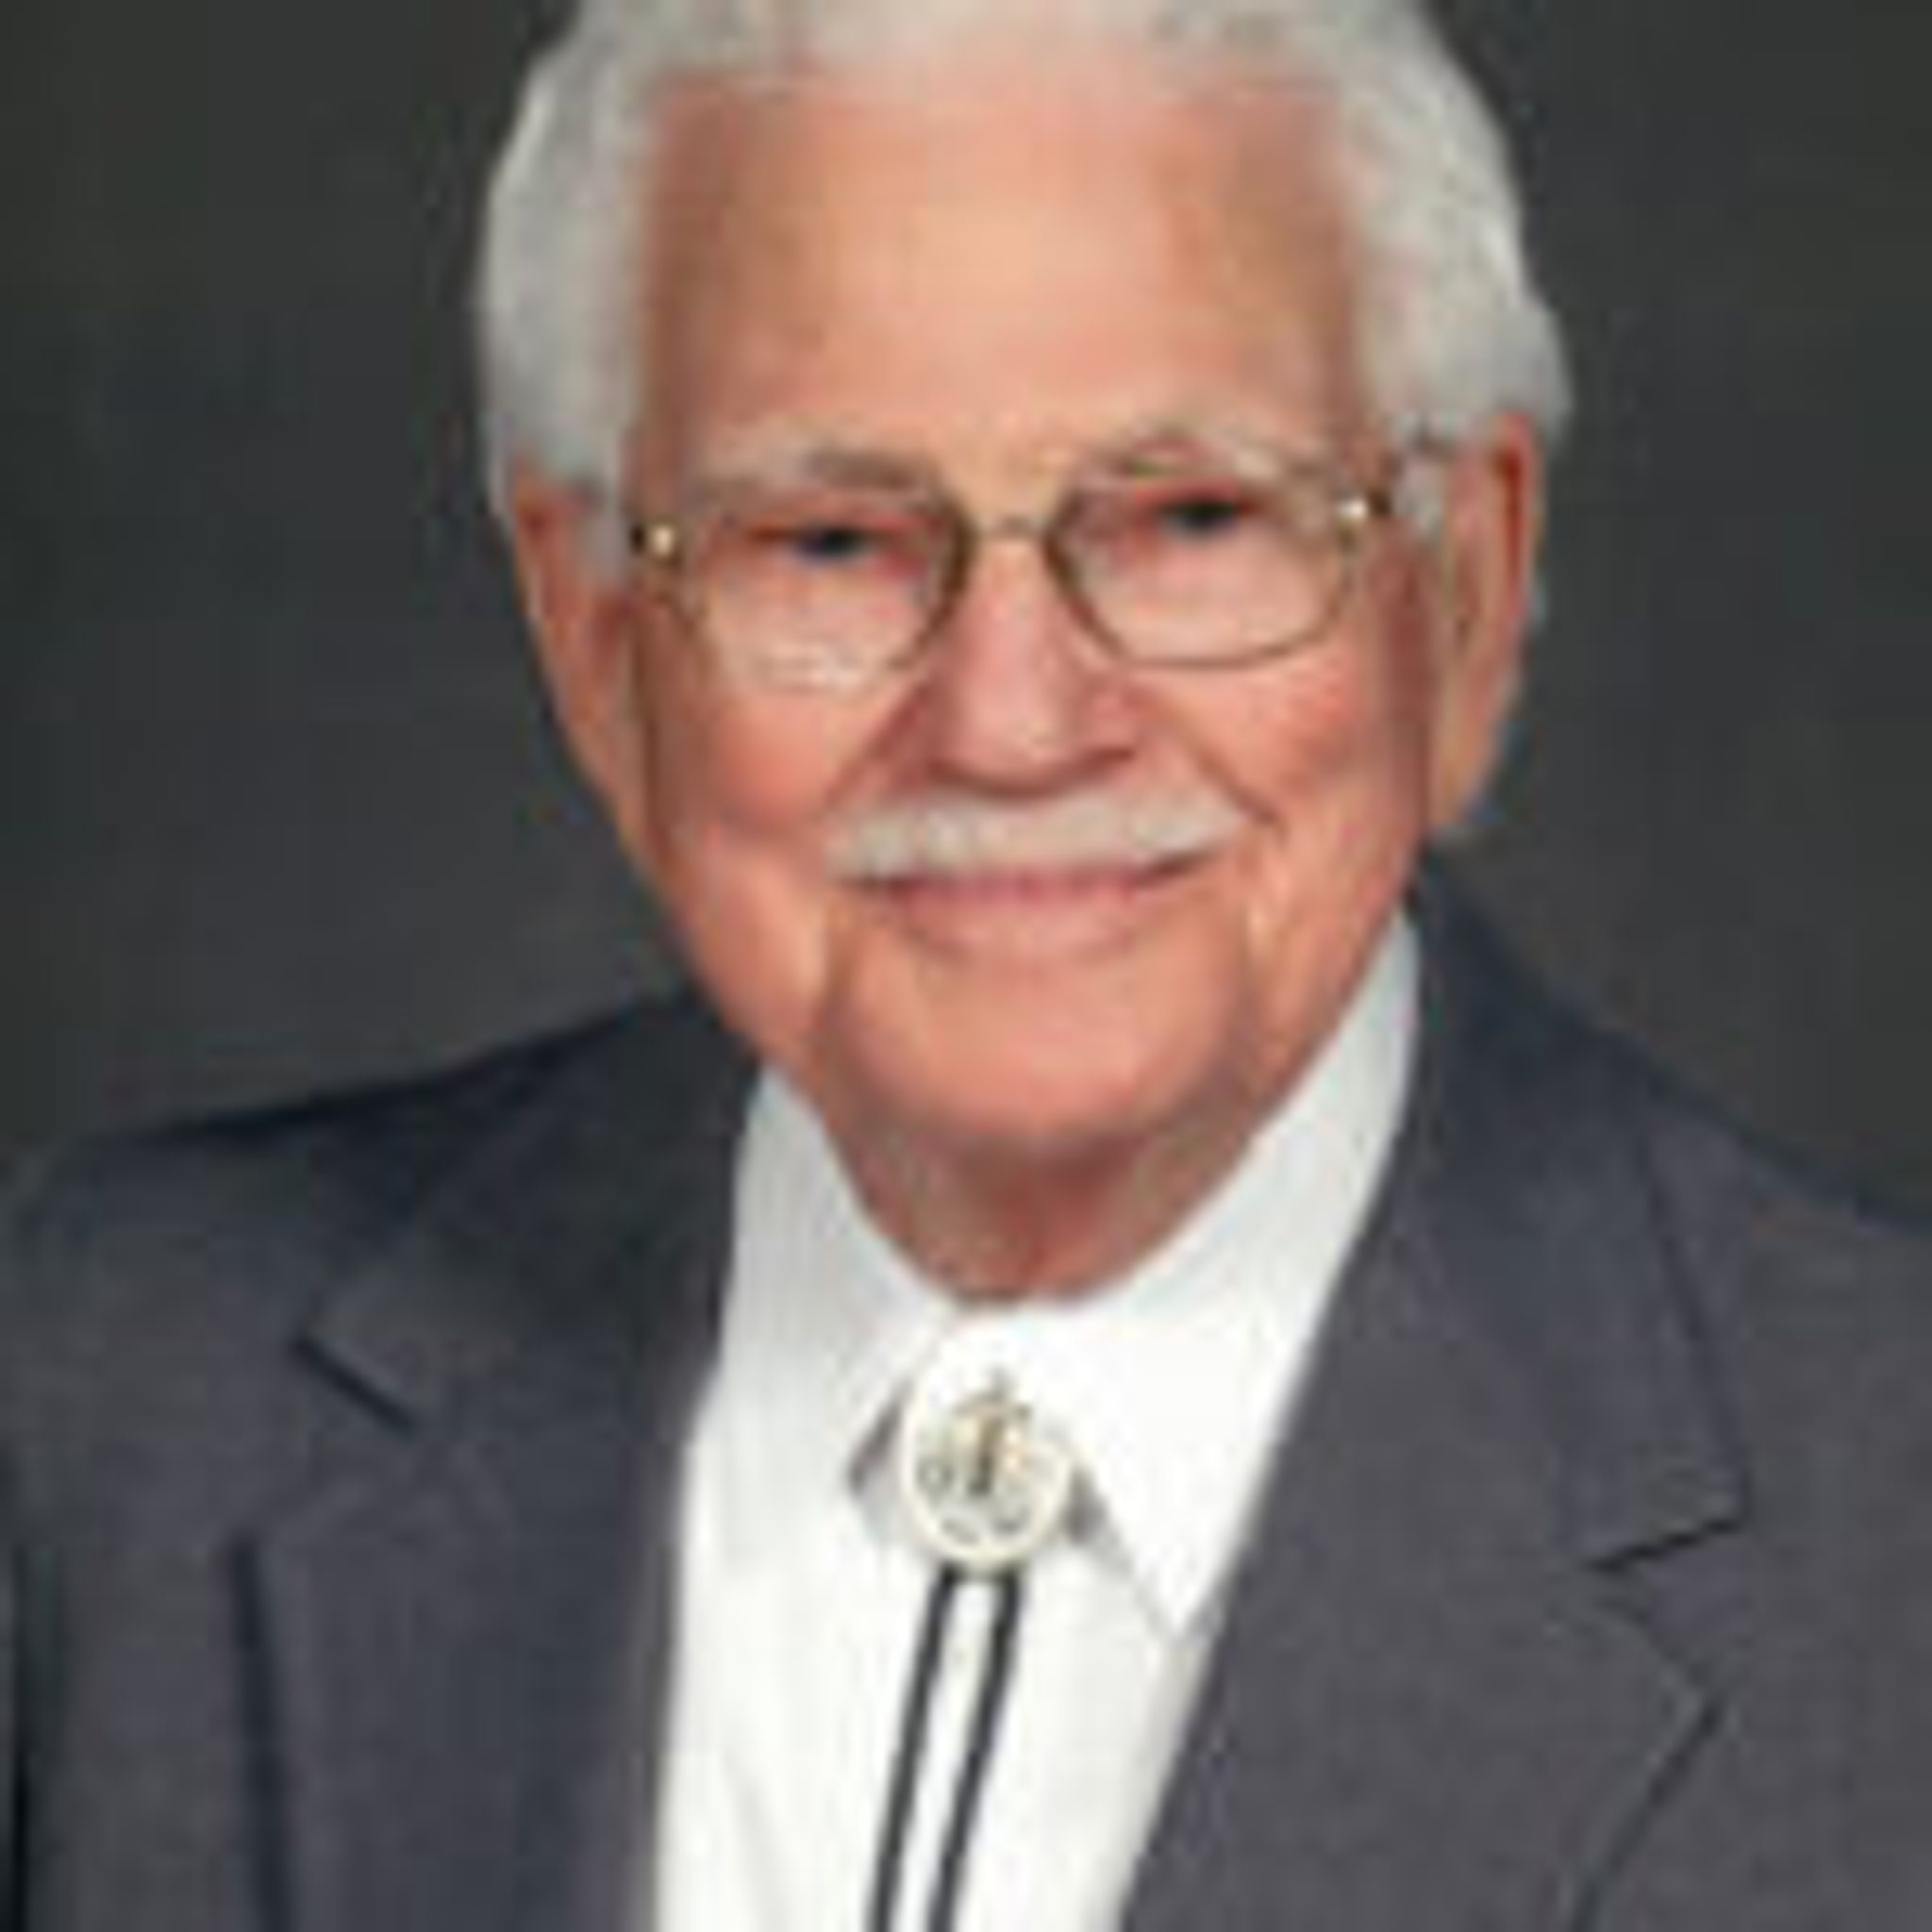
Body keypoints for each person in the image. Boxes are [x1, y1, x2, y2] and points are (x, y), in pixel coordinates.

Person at [5, 0, 1932, 1924]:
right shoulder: (85, 1404)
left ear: (1466, 589)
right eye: (828, 540)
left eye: (1191, 516)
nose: (1011, 724)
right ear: (592, 639)